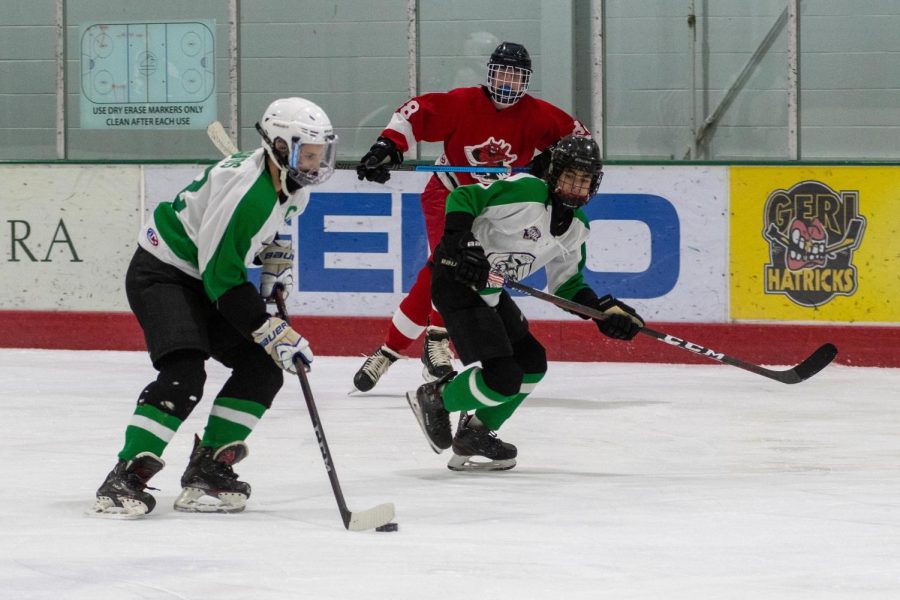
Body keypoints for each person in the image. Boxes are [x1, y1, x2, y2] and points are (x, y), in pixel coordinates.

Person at [91, 97, 338, 516]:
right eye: (307, 153)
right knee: (184, 373)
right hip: (164, 273)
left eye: (320, 153)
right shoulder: (249, 194)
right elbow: (221, 278)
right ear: (279, 146)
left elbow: (250, 243)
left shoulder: (293, 188)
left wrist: (272, 254)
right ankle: (125, 476)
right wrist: (270, 328)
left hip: (204, 275)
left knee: (261, 368)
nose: (315, 163)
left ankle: (207, 466)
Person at [353, 41, 590, 393]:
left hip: (496, 209)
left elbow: (580, 141)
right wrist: (388, 146)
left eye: (516, 76)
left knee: (441, 271)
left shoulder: (537, 115)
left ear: (526, 80)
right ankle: (436, 337)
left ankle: (389, 350)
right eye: (502, 73)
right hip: (448, 196)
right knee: (447, 263)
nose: (507, 82)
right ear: (490, 73)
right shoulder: (463, 103)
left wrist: (553, 158)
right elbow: (413, 113)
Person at [405, 135, 645, 471]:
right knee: (503, 378)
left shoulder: (578, 228)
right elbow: (464, 196)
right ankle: (437, 397)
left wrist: (602, 312)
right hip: (456, 279)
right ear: (554, 174)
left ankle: (476, 432)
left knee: (532, 362)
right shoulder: (527, 192)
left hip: (490, 291)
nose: (576, 186)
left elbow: (568, 284)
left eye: (585, 180)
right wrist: (463, 242)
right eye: (569, 177)